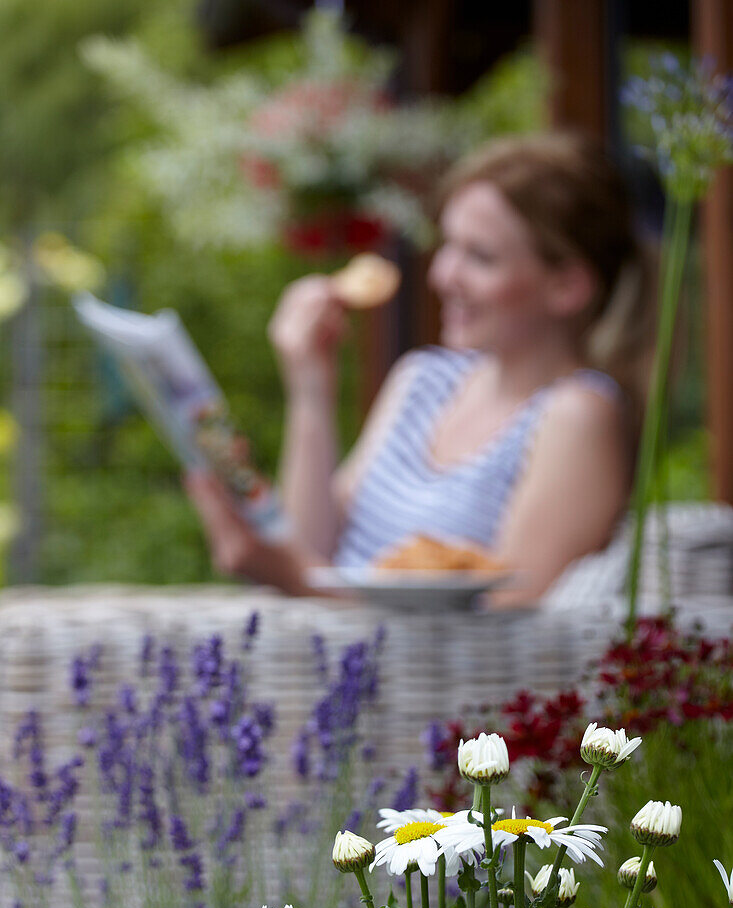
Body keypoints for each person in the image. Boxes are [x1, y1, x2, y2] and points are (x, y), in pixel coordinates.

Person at [186, 132, 656, 604]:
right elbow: (314, 551)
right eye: (448, 246)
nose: (442, 275)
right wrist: (310, 385)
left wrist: (291, 577)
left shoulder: (577, 416)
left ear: (566, 287)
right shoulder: (423, 381)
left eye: (480, 256)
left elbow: (507, 628)